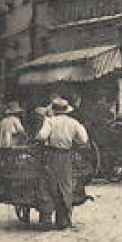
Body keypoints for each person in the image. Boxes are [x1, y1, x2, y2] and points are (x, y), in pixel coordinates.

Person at [36, 96, 89, 229]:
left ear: (53, 110)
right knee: (65, 185)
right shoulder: (74, 123)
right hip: (66, 156)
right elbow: (83, 139)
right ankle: (63, 218)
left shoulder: (50, 122)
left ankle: (46, 217)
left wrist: (40, 138)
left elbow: (42, 136)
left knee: (48, 184)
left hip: (52, 155)